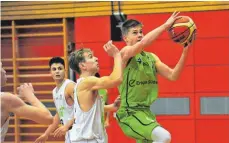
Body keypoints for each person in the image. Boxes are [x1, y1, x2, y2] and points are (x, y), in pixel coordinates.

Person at [116, 11, 194, 143]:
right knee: (164, 137)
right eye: (135, 32)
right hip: (130, 113)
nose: (140, 35)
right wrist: (165, 26)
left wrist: (185, 50)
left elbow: (173, 75)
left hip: (146, 113)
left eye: (141, 32)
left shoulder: (151, 58)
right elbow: (142, 44)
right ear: (125, 38)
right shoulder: (124, 54)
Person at [68, 41, 122, 143]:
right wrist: (117, 55)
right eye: (91, 57)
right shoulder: (88, 82)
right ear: (83, 65)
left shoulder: (84, 83)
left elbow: (88, 111)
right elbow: (116, 79)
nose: (96, 58)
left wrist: (112, 107)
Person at [0, 62, 53, 142]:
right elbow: (48, 118)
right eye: (1, 67)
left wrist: (20, 97)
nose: (4, 71)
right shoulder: (5, 99)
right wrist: (30, 95)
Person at [35, 57, 76, 143]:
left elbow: (83, 110)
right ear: (50, 72)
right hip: (69, 133)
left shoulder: (70, 86)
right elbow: (59, 115)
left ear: (65, 71)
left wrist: (67, 125)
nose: (57, 71)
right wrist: (46, 134)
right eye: (54, 69)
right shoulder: (54, 92)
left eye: (60, 68)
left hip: (81, 131)